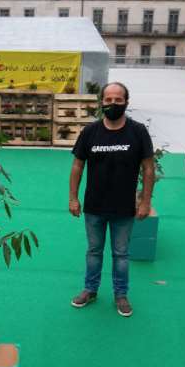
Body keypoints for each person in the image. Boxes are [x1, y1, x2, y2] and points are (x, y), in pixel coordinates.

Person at [68, 82, 155, 317]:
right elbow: (77, 165)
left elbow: (148, 168)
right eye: (108, 100)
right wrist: (73, 198)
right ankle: (90, 289)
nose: (112, 104)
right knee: (94, 251)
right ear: (101, 102)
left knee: (121, 254)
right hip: (94, 207)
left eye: (118, 100)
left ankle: (121, 294)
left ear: (126, 102)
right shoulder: (90, 132)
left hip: (124, 208)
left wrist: (145, 202)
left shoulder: (138, 132)